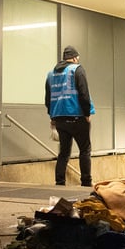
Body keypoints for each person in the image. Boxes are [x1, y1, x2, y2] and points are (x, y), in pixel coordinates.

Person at [45, 45, 95, 186]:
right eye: (77, 58)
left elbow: (48, 99)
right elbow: (84, 93)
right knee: (85, 150)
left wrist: (52, 117)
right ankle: (86, 183)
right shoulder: (77, 69)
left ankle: (59, 182)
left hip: (59, 119)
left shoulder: (51, 74)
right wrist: (87, 113)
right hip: (77, 117)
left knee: (64, 152)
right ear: (74, 58)